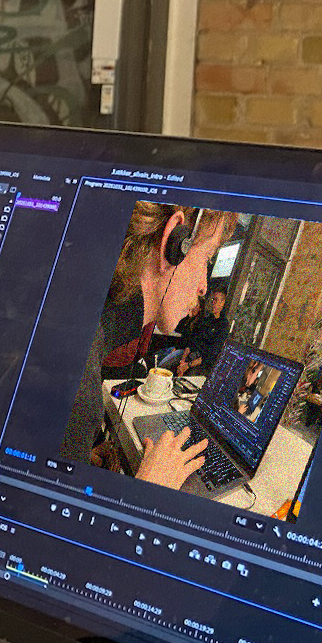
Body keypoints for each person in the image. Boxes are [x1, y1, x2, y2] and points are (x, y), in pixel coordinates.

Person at [60, 203, 238, 488]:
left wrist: (79, 456)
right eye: (206, 259)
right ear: (173, 241)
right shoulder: (77, 390)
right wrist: (150, 484)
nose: (204, 286)